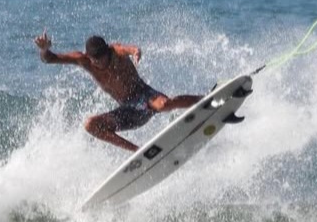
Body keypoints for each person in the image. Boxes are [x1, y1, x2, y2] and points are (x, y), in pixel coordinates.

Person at [34, 31, 202, 152]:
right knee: (90, 124)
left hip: (144, 96)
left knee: (165, 104)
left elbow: (128, 49)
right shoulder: (82, 60)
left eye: (103, 58)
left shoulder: (115, 52)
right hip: (128, 111)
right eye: (96, 60)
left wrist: (135, 51)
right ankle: (138, 151)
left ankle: (204, 100)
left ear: (107, 51)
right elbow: (49, 59)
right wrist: (44, 49)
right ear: (89, 57)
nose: (100, 63)